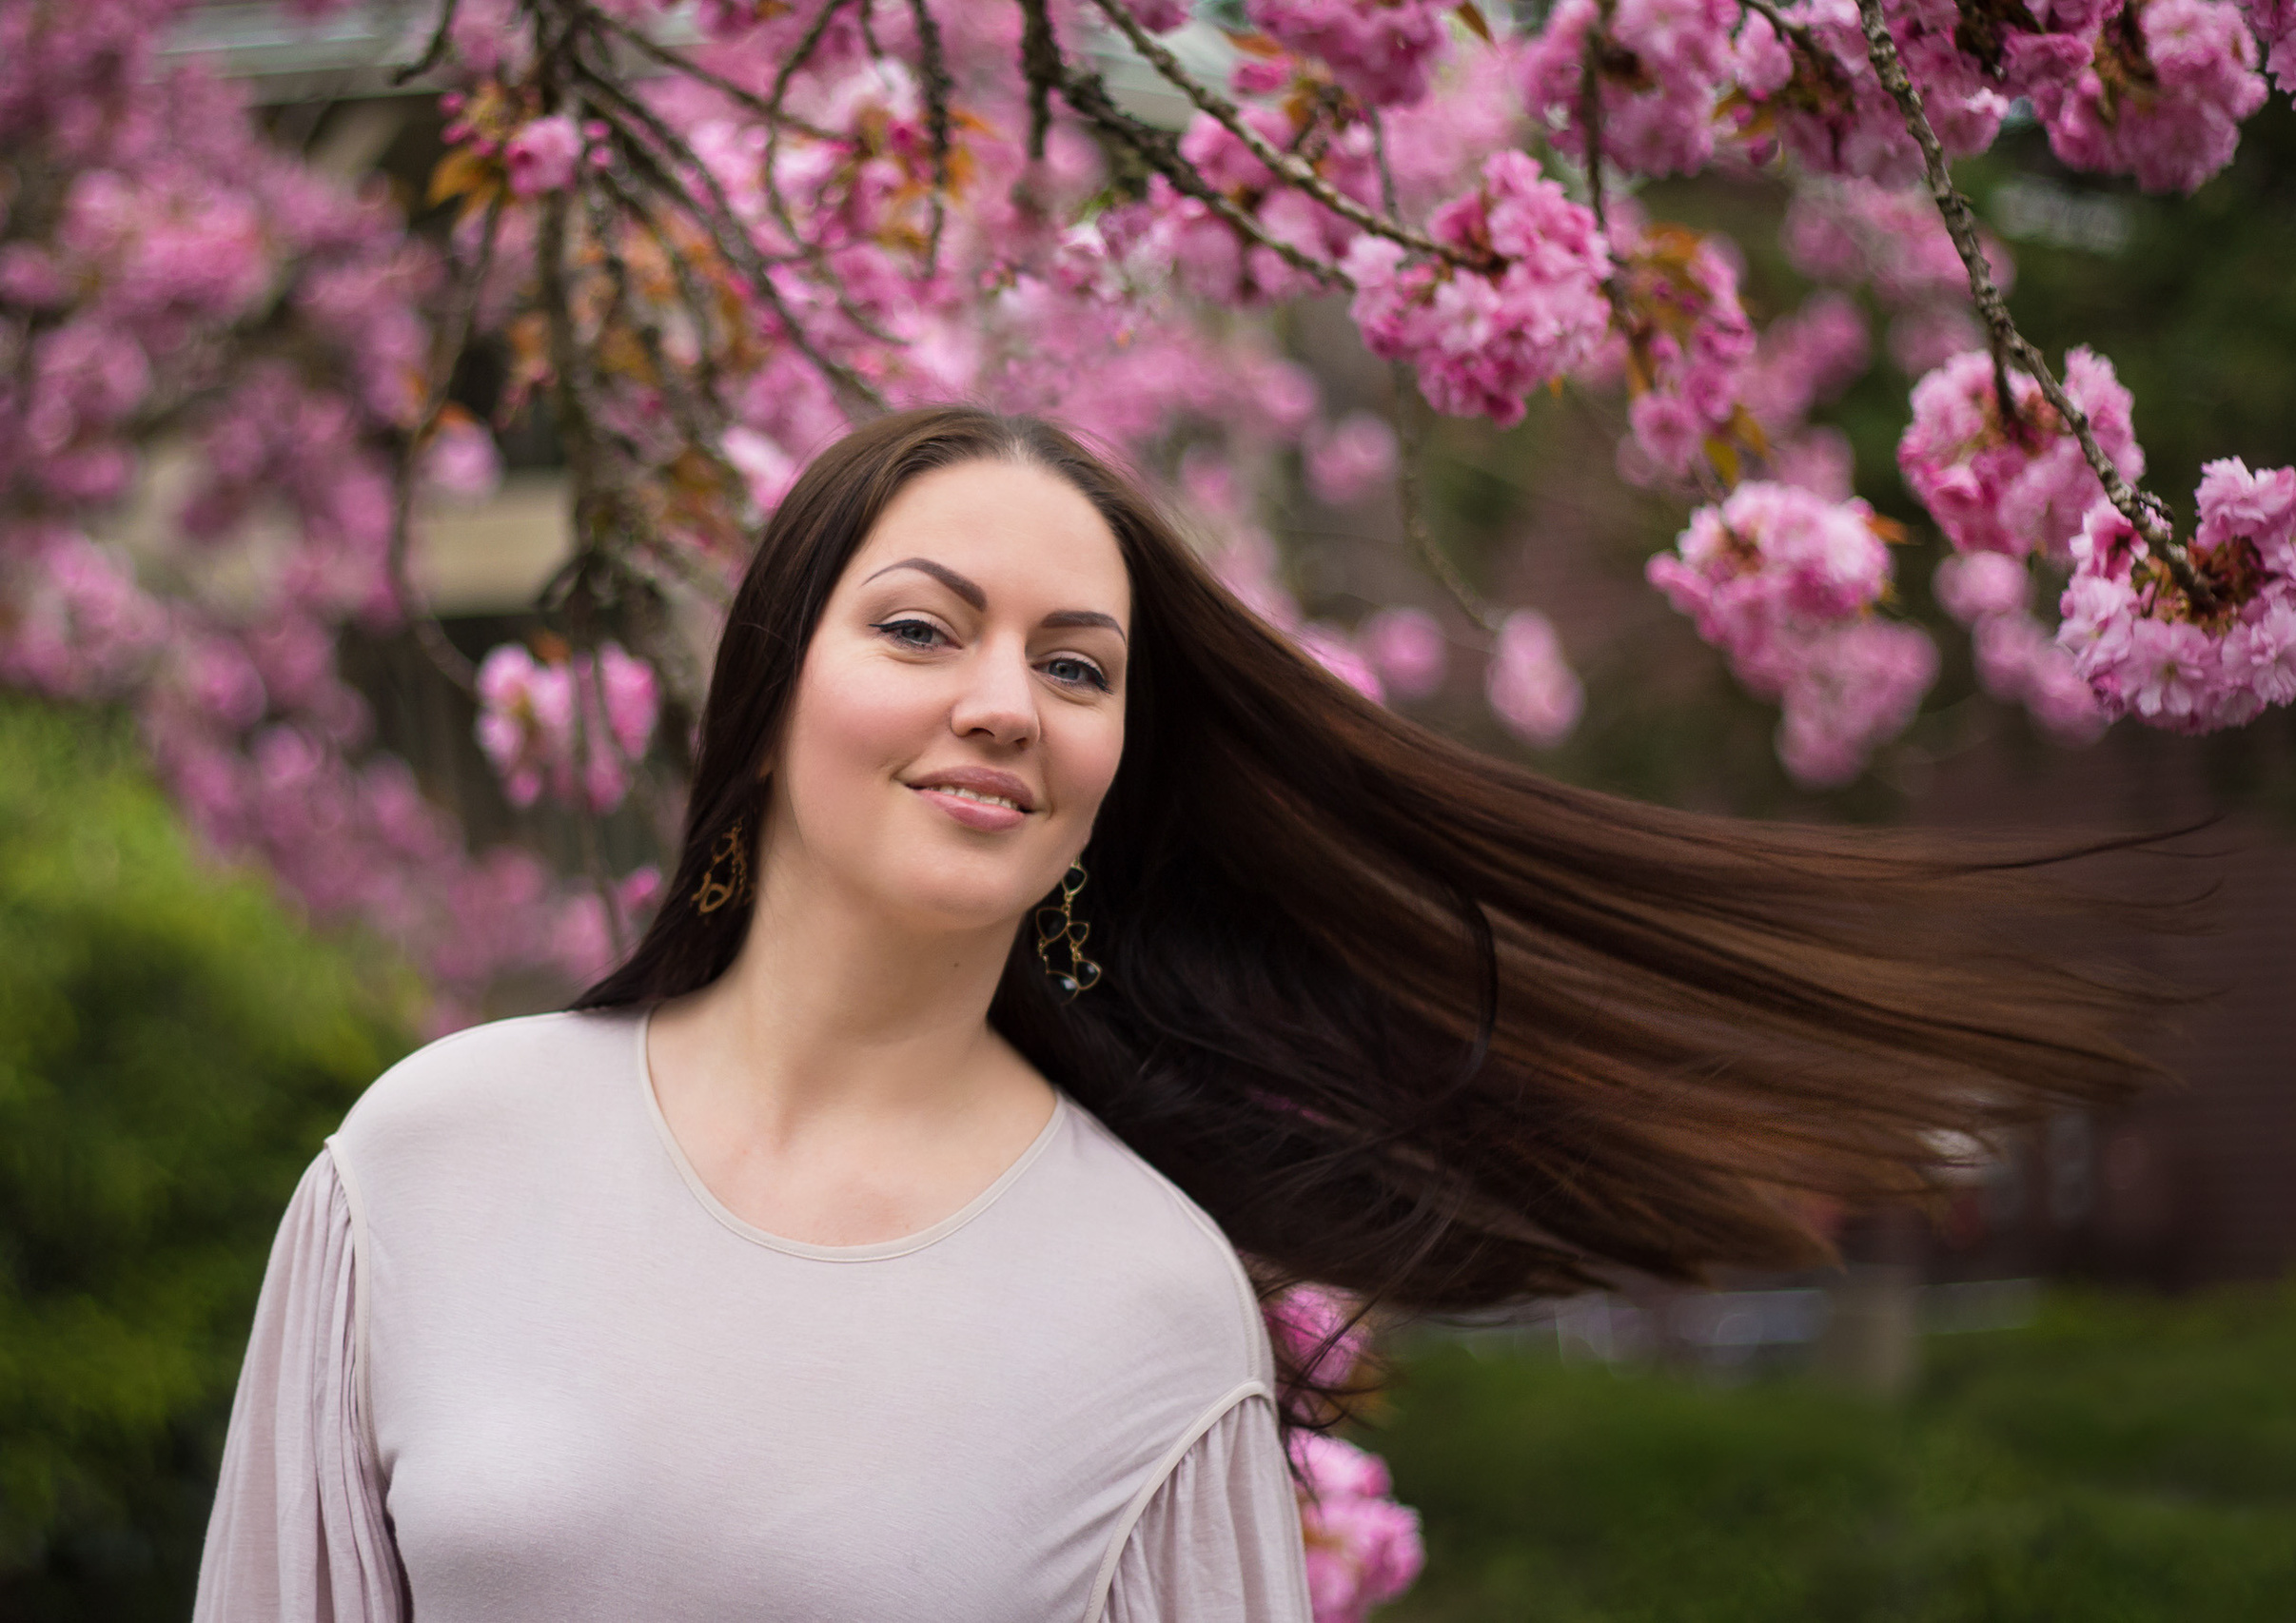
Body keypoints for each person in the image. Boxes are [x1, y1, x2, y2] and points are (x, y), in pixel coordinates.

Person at [194, 405, 2160, 1621]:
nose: (1002, 703)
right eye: (920, 627)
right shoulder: (429, 1163)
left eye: (1075, 665)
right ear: (767, 689)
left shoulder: (1140, 1299)